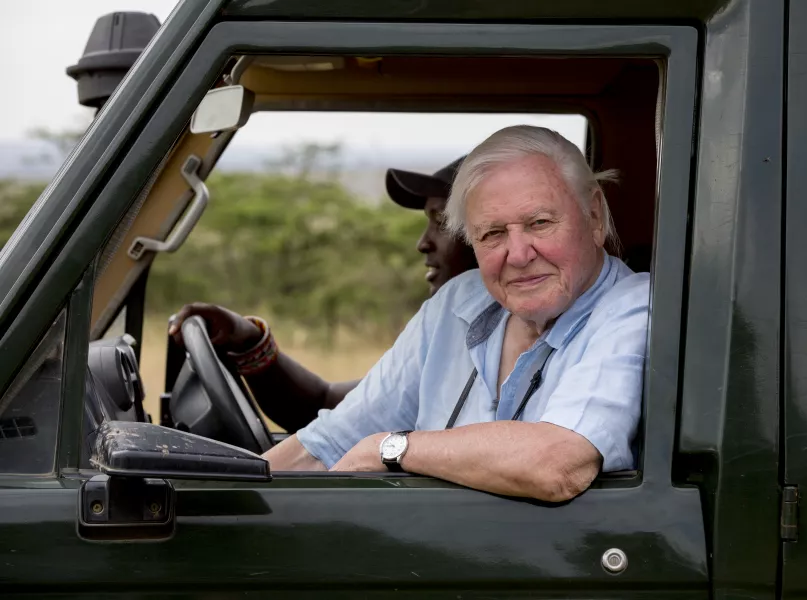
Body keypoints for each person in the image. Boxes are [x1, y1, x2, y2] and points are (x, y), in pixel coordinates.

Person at [262, 125, 650, 503]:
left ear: (594, 217)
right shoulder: (459, 300)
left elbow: (558, 464)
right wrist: (225, 501)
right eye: (493, 234)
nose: (518, 255)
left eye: (540, 223)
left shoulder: (634, 307)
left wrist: (392, 448)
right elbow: (330, 443)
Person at [169, 158, 478, 432]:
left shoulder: (505, 360)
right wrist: (250, 340)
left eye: (441, 222)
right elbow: (327, 407)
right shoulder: (443, 343)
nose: (423, 243)